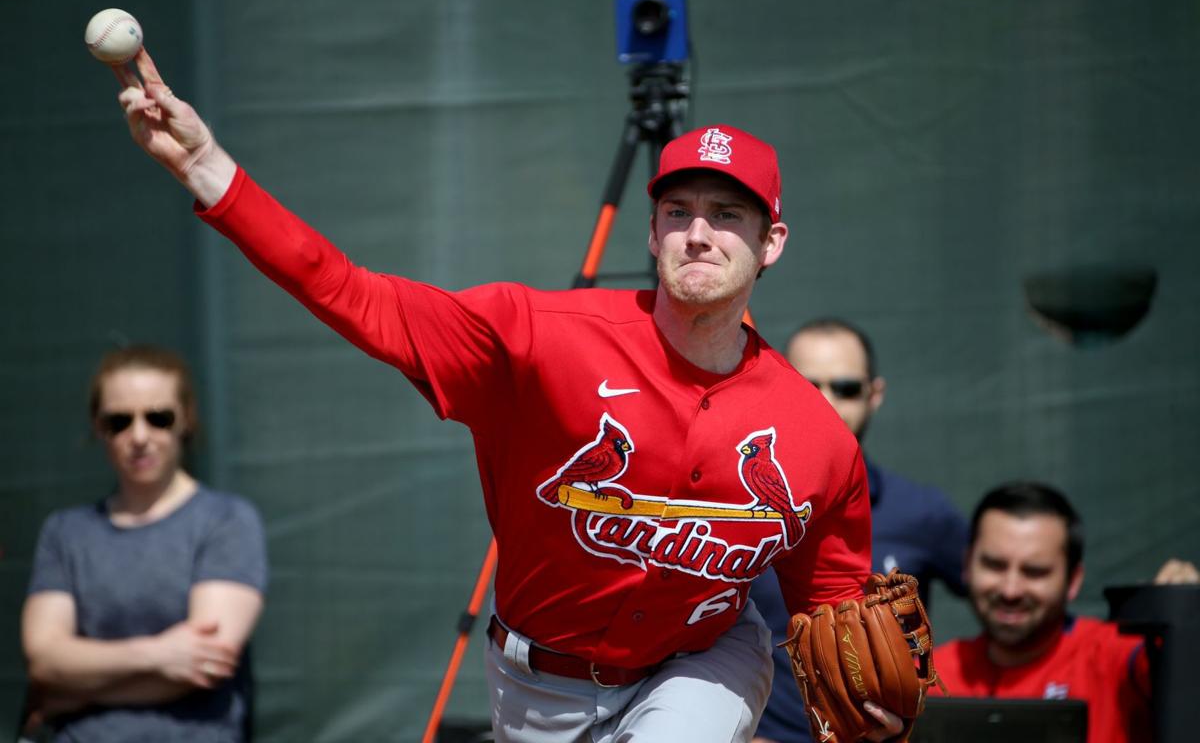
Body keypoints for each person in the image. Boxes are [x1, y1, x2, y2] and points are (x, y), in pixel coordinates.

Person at [104, 48, 910, 742]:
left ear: (771, 241)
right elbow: (350, 292)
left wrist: (865, 700)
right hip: (537, 682)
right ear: (652, 229)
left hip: (705, 659)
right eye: (678, 210)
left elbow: (831, 605)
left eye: (726, 214)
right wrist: (209, 167)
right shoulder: (534, 336)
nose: (698, 232)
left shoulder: (815, 436)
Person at [20, 346, 268, 742]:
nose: (139, 436)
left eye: (158, 417)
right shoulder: (64, 532)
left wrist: (74, 695)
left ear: (185, 419)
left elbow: (205, 663)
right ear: (98, 427)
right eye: (120, 421)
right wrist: (158, 654)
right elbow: (46, 660)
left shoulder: (227, 520)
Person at [751, 319, 969, 743]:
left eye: (846, 388)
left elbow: (1010, 599)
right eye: (808, 384)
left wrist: (910, 712)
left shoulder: (923, 513)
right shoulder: (737, 509)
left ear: (875, 395)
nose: (827, 401)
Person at [935, 481, 1199, 743]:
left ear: (1073, 581)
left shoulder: (1117, 657)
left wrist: (1185, 619)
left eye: (1035, 571)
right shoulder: (929, 676)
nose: (1010, 590)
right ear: (967, 565)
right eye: (994, 565)